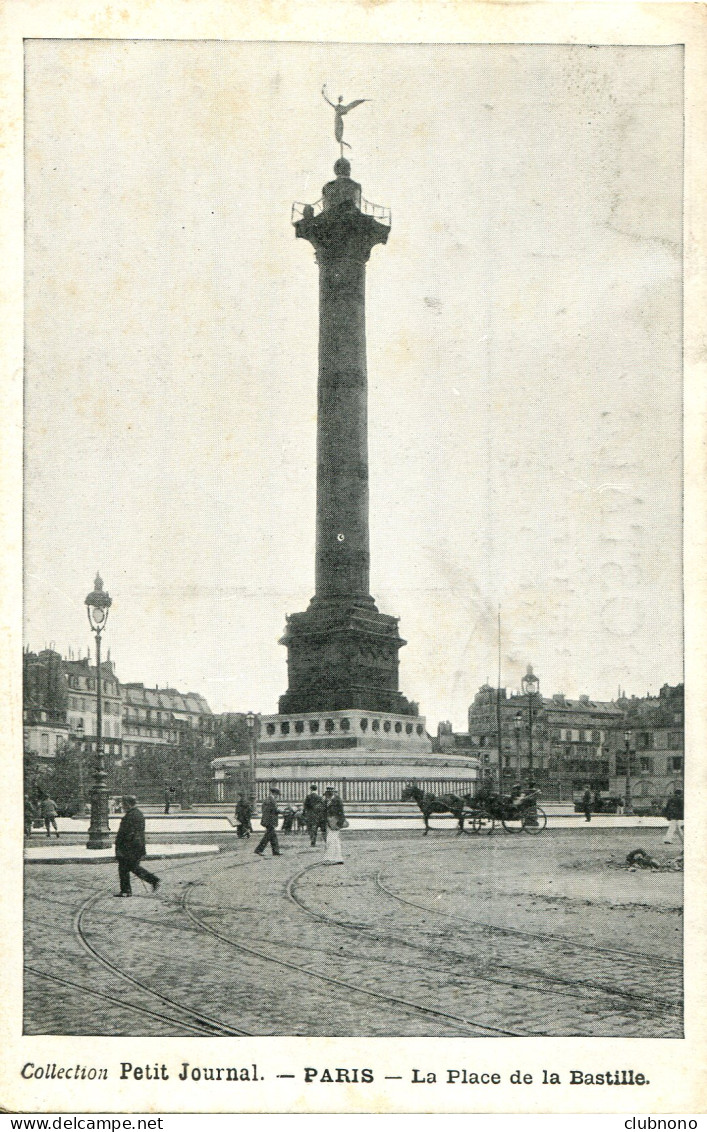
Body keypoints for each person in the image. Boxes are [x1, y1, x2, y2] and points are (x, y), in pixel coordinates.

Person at [114, 795, 160, 897]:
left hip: (130, 848)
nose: (122, 806)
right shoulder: (137, 814)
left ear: (128, 804)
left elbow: (127, 833)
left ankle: (127, 890)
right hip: (136, 847)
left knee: (125, 868)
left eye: (124, 803)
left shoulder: (131, 815)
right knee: (131, 868)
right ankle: (151, 881)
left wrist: (122, 846)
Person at [254, 785, 281, 857]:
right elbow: (272, 811)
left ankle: (275, 851)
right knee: (267, 837)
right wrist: (280, 811)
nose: (277, 796)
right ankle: (259, 850)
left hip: (268, 821)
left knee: (273, 836)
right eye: (277, 795)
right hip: (270, 821)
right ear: (274, 794)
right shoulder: (271, 801)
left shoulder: (268, 800)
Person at [323, 786, 345, 864]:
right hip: (329, 822)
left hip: (335, 822)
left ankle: (330, 858)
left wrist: (340, 822)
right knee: (335, 840)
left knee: (330, 840)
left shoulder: (337, 801)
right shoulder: (327, 801)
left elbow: (341, 812)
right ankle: (338, 858)